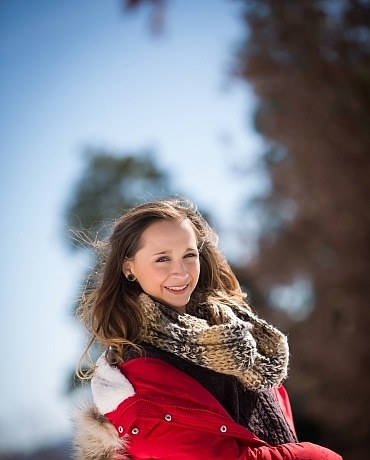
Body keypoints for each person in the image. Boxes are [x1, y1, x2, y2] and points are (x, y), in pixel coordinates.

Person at [73, 197, 343, 460]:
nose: (182, 272)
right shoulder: (140, 370)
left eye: (189, 255)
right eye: (162, 259)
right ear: (128, 267)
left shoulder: (237, 337)